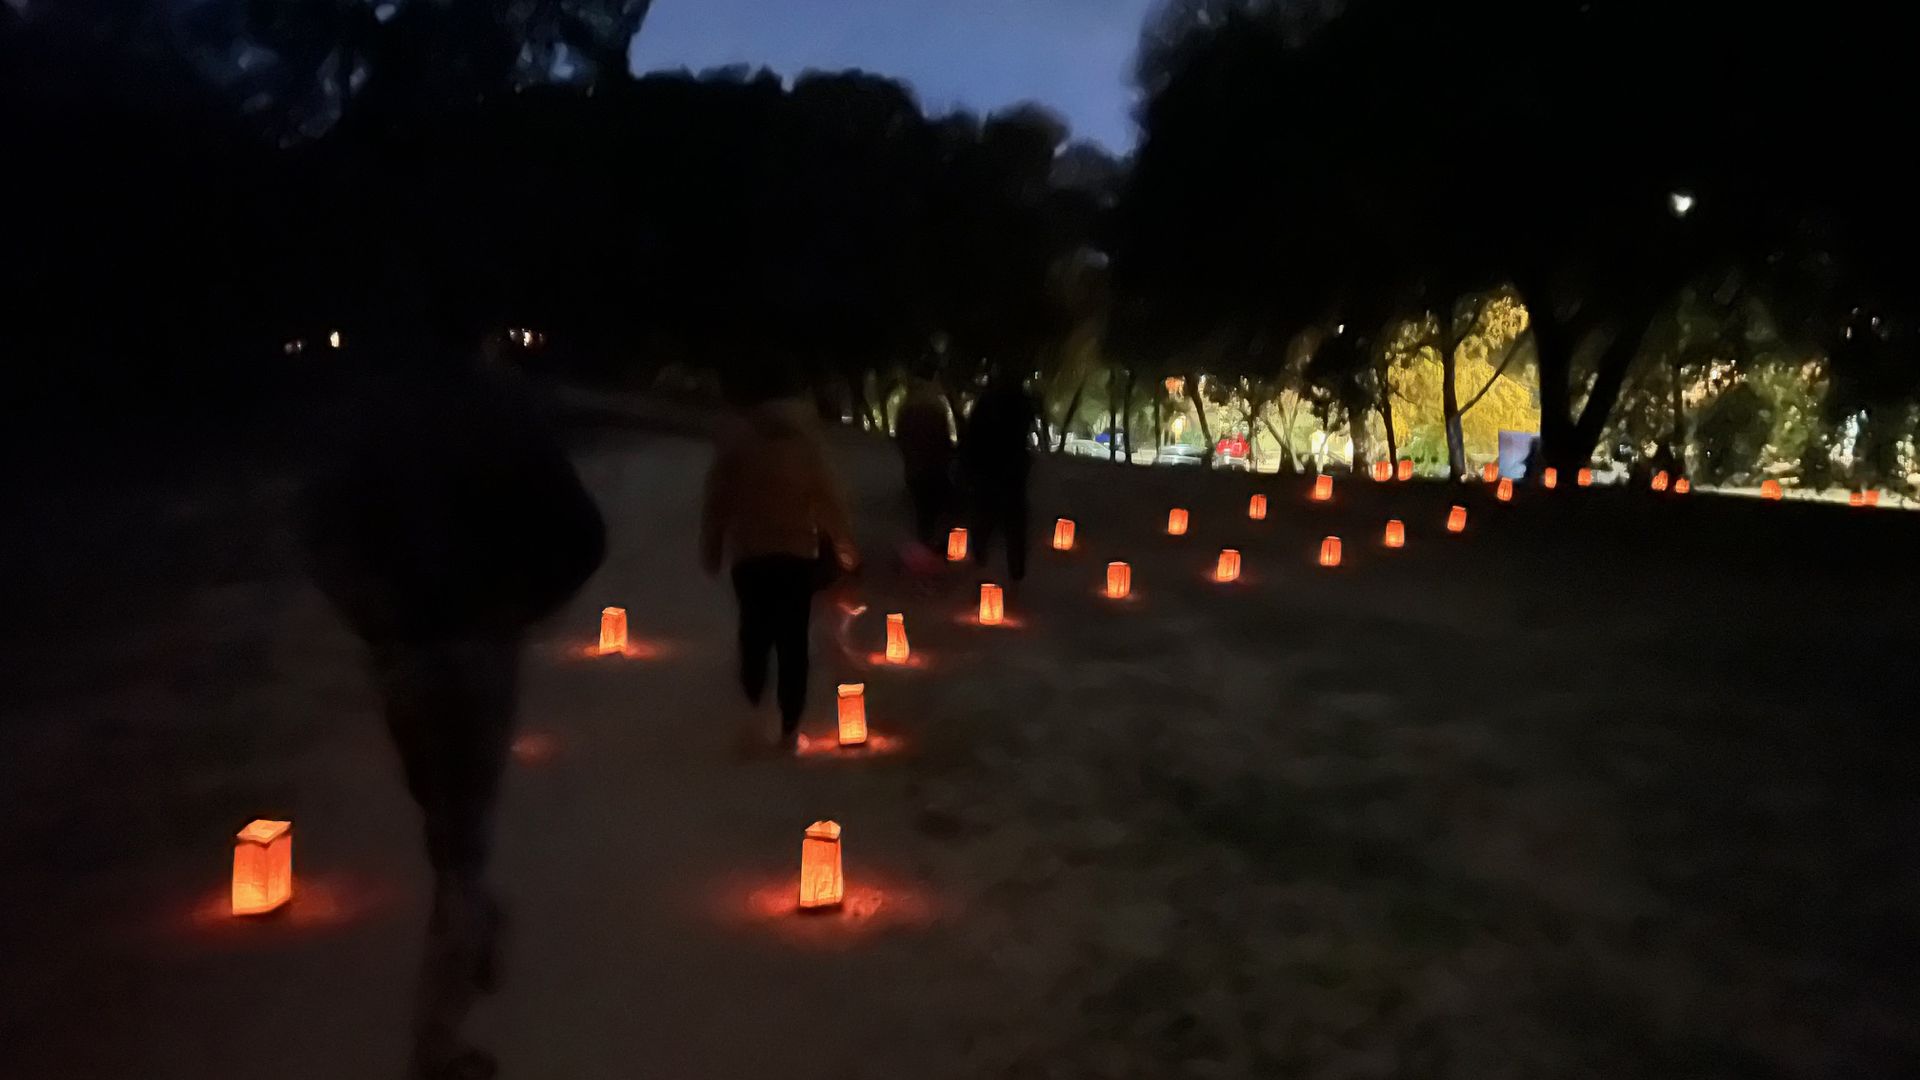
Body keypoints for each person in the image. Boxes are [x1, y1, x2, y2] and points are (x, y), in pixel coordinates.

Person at [303, 332, 605, 1080]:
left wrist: (372, 615)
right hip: (474, 647)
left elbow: (320, 526)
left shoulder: (370, 412)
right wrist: (520, 607)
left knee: (448, 825)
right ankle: (458, 970)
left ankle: (459, 961)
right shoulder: (501, 408)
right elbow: (581, 534)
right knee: (460, 836)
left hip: (405, 652)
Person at [701, 380, 858, 753]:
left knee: (754, 634)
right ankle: (789, 729)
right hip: (795, 555)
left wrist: (713, 546)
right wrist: (845, 545)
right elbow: (827, 498)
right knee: (792, 641)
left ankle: (755, 711)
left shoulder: (738, 445)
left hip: (750, 556)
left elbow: (718, 501)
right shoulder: (805, 446)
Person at [960, 369, 1038, 581]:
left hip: (990, 476)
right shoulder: (1021, 405)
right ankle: (1013, 577)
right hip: (1007, 476)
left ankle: (983, 569)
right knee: (1011, 529)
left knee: (986, 524)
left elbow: (971, 440)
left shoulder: (988, 405)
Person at [893, 369, 956, 552]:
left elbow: (900, 437)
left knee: (923, 509)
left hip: (916, 467)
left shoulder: (906, 408)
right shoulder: (935, 407)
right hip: (935, 465)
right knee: (938, 505)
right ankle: (940, 545)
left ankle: (925, 542)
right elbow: (943, 437)